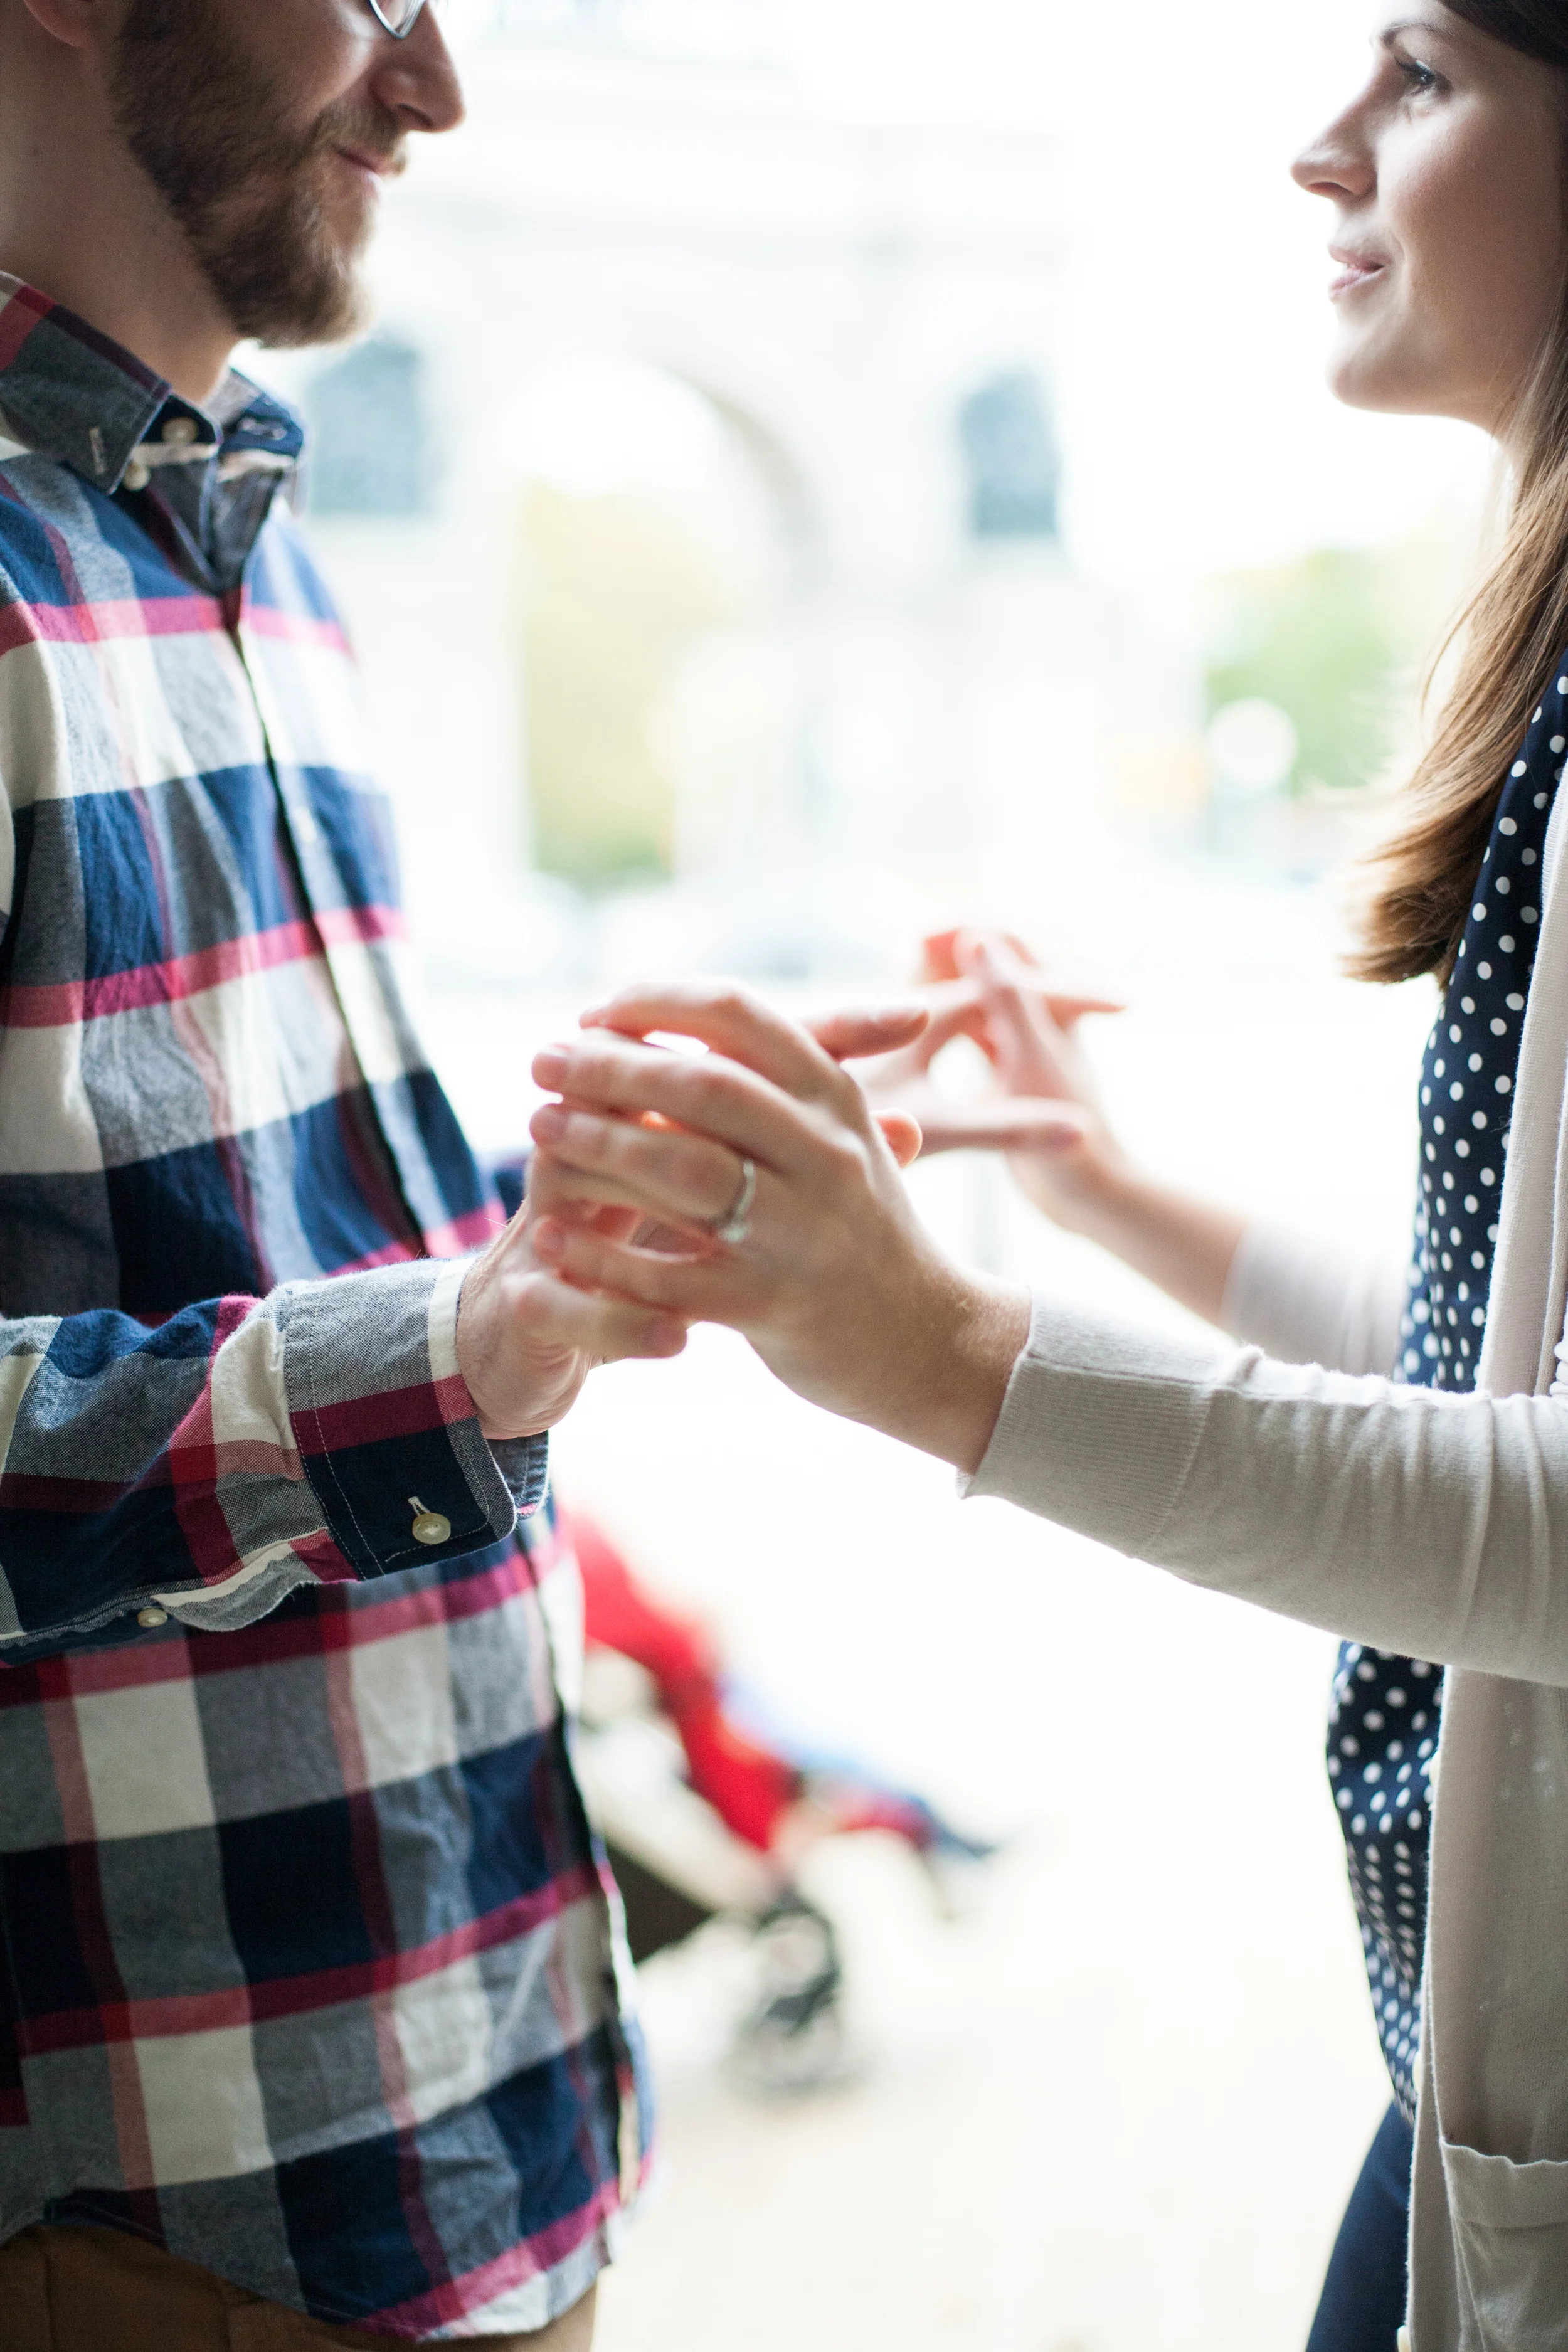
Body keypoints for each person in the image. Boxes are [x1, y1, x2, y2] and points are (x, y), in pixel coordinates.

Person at [519, 6, 1568, 2344]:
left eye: (1418, 74)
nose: (1318, 146)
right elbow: (1495, 1356)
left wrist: (944, 1351)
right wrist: (1112, 1194)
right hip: (1471, 2052)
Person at [0, 1, 727, 2344]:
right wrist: (455, 1351)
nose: (436, 82)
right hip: (153, 2219)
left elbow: (242, 1236)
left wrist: (617, 1176)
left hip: (478, 2118)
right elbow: (395, 1344)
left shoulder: (251, 539)